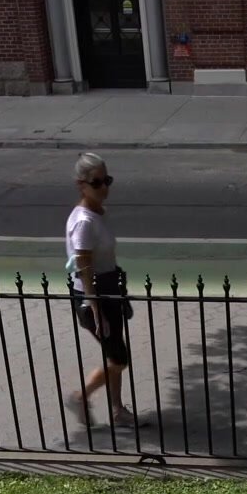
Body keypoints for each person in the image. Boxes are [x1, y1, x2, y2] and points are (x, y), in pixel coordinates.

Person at [65, 152, 141, 427]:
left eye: (106, 180)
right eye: (96, 183)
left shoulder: (97, 213)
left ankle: (118, 410)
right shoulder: (84, 221)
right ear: (81, 185)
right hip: (95, 296)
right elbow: (83, 264)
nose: (103, 188)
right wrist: (94, 306)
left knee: (114, 353)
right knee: (119, 359)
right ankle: (80, 396)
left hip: (109, 290)